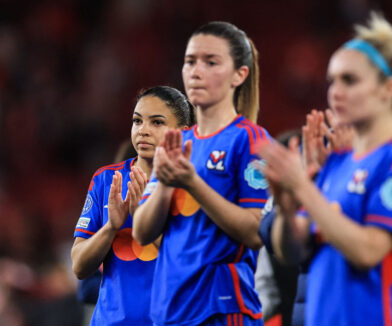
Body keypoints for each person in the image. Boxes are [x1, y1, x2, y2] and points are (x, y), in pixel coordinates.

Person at [258, 13, 392, 326]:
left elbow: (369, 251)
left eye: (349, 80)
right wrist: (287, 211)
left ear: (388, 88)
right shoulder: (337, 162)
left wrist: (304, 190)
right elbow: (291, 251)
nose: (335, 91)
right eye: (332, 80)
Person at [132, 21, 270, 326]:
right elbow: (141, 231)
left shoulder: (249, 140)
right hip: (170, 309)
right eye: (190, 61)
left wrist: (192, 183)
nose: (196, 71)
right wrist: (167, 185)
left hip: (220, 309)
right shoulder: (178, 141)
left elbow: (255, 232)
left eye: (211, 62)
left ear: (240, 74)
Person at [71, 86, 194, 325]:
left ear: (182, 133)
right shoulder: (106, 180)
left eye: (157, 123)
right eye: (137, 121)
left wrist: (142, 220)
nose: (143, 130)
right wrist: (110, 228)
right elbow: (79, 266)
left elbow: (192, 266)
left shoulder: (194, 185)